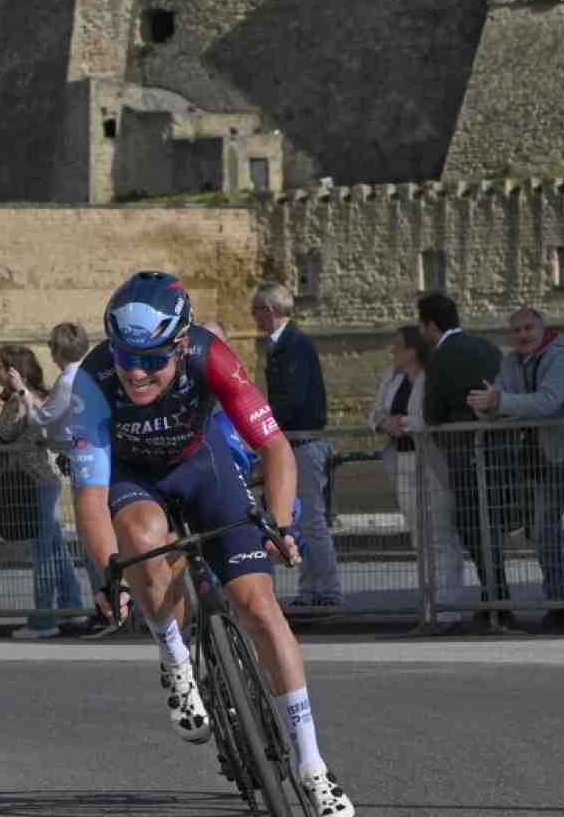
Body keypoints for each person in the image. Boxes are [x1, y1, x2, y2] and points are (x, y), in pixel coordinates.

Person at [68, 272, 355, 816]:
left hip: (203, 468)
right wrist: (108, 570)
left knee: (260, 606)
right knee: (141, 540)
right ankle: (175, 654)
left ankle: (311, 764)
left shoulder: (211, 355)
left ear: (180, 344)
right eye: (126, 356)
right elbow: (89, 493)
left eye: (152, 360)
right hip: (135, 479)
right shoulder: (94, 379)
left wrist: (280, 522)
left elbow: (272, 446)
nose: (135, 372)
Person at [468, 307, 564, 632]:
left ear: (542, 329)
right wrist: (486, 409)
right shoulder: (511, 363)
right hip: (544, 457)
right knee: (543, 533)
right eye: (517, 330)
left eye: (529, 328)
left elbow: (547, 402)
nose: (523, 335)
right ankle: (558, 602)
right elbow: (501, 402)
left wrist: (499, 402)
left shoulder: (561, 359)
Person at [0, 345, 85, 638]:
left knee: (45, 553)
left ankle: (44, 620)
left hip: (33, 482)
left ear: (14, 370)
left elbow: (2, 438)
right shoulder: (25, 399)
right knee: (54, 549)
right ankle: (72, 607)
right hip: (41, 481)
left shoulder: (21, 400)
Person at [418, 292, 517, 633]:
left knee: (475, 527)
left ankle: (495, 599)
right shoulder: (488, 348)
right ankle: (497, 597)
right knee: (491, 526)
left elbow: (432, 413)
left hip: (464, 454)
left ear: (430, 325)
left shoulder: (441, 357)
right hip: (499, 448)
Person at [369, 325, 466, 623]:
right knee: (419, 537)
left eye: (397, 346)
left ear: (412, 350)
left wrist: (404, 422)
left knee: (439, 534)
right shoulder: (392, 377)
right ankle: (429, 606)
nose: (393, 352)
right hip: (402, 459)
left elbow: (431, 416)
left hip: (431, 460)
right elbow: (374, 413)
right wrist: (384, 423)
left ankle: (448, 608)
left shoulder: (430, 377)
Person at [253, 283, 341, 611]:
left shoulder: (293, 345)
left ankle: (327, 589)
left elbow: (293, 400)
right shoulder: (287, 344)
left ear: (269, 311)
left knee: (311, 521)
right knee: (303, 520)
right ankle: (313, 589)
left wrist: (265, 429)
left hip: (301, 441)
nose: (253, 318)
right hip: (294, 441)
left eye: (257, 310)